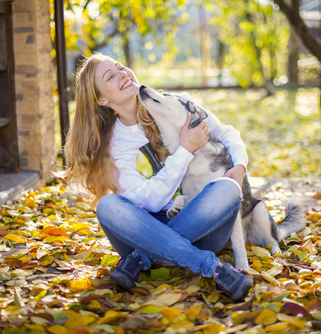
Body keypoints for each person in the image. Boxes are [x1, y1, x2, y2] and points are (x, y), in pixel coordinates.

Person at [61, 53, 253, 301]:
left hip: (199, 225)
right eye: (110, 76)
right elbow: (149, 201)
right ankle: (210, 267)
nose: (122, 74)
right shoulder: (114, 146)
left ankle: (142, 258)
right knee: (109, 206)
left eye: (121, 67)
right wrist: (185, 150)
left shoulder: (173, 104)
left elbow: (226, 133)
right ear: (101, 99)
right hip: (143, 228)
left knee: (227, 188)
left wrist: (239, 165)